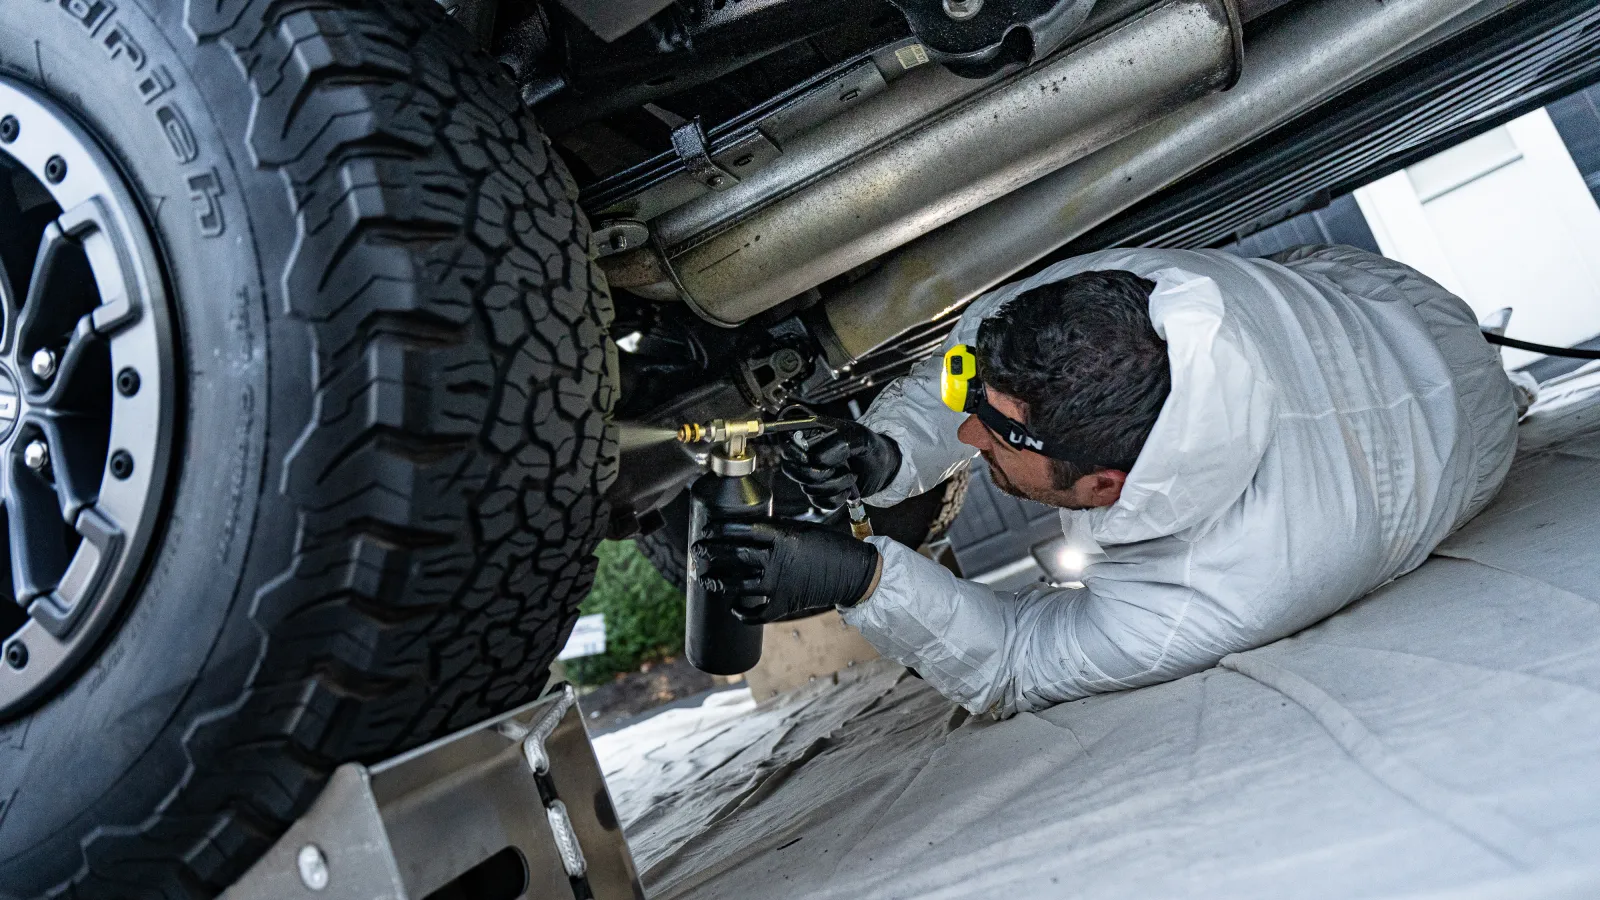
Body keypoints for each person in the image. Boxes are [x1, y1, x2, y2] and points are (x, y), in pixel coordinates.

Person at [695, 245, 1519, 718]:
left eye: (996, 435)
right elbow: (978, 350)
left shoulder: (1230, 585)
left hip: (1469, 436)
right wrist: (889, 450)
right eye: (970, 405)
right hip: (1377, 293)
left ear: (1103, 486)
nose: (969, 432)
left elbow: (1015, 660)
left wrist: (864, 578)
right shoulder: (1129, 302)